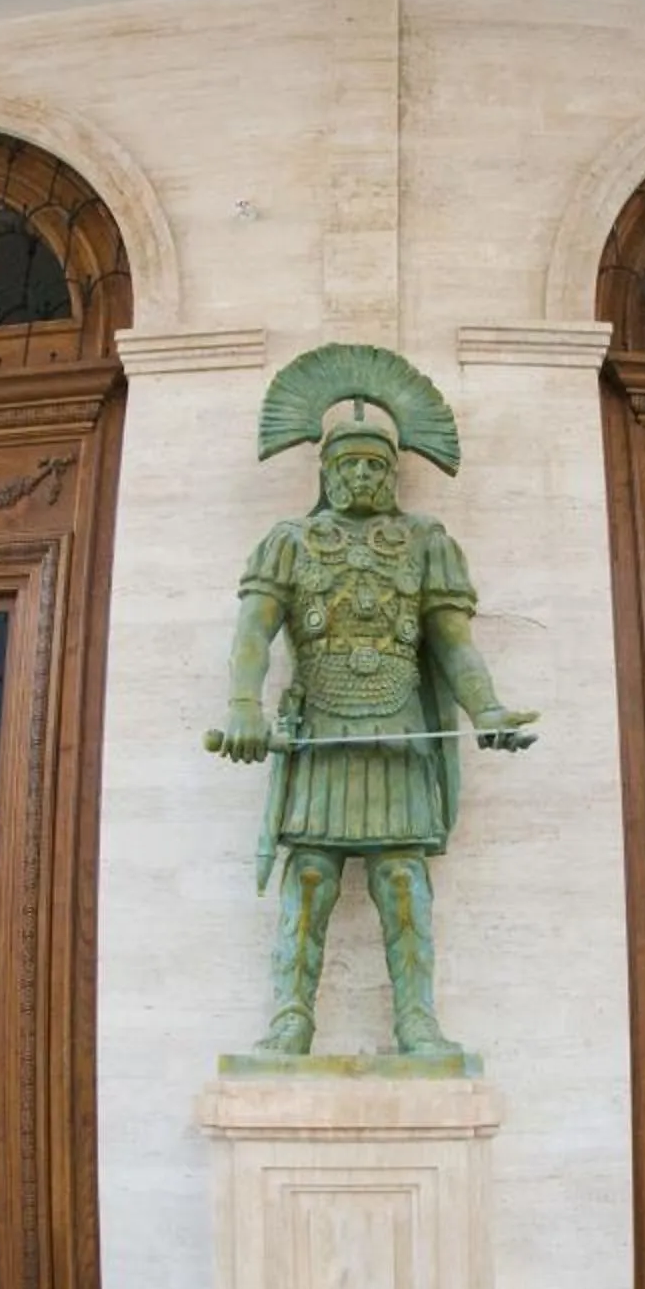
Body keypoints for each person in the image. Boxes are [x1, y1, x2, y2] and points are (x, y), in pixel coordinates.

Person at [217, 410, 534, 1055]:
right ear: (326, 473)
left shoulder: (425, 542)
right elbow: (253, 630)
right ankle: (291, 1018)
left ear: (393, 475)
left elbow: (454, 646)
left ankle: (417, 1020)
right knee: (307, 878)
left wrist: (489, 711)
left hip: (398, 730)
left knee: (402, 881)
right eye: (348, 464)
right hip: (319, 728)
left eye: (375, 465)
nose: (361, 475)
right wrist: (244, 706)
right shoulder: (291, 540)